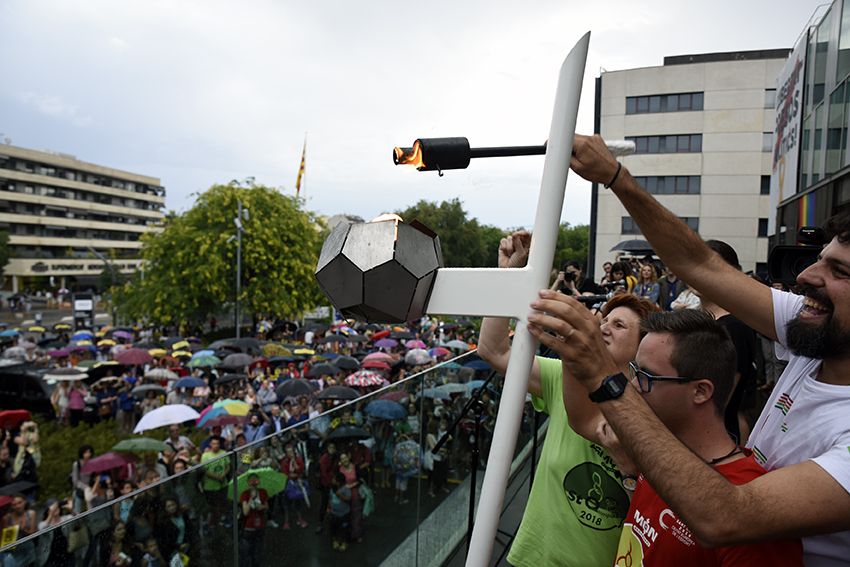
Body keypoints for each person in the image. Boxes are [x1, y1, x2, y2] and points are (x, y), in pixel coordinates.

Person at [565, 132, 850, 564]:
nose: (807, 275)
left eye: (839, 270)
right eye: (819, 259)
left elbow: (726, 516)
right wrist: (615, 177)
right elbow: (699, 264)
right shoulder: (818, 332)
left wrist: (604, 376)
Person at [530, 302, 803, 564]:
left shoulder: (751, 507)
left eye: (647, 377)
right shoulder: (655, 453)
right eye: (635, 371)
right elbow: (583, 418)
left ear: (701, 391)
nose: (634, 387)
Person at [476, 230, 659, 567]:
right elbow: (493, 349)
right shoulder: (565, 378)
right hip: (533, 557)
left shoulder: (655, 409)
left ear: (643, 347)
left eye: (619, 325)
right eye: (603, 320)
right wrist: (510, 275)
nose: (602, 327)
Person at [239, 472, 268, 567]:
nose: (254, 482)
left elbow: (267, 507)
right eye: (251, 480)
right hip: (249, 528)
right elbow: (245, 512)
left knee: (258, 553)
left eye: (256, 479)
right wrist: (251, 497)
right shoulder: (245, 494)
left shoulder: (263, 492)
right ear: (248, 482)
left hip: (260, 527)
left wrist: (262, 507)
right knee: (247, 553)